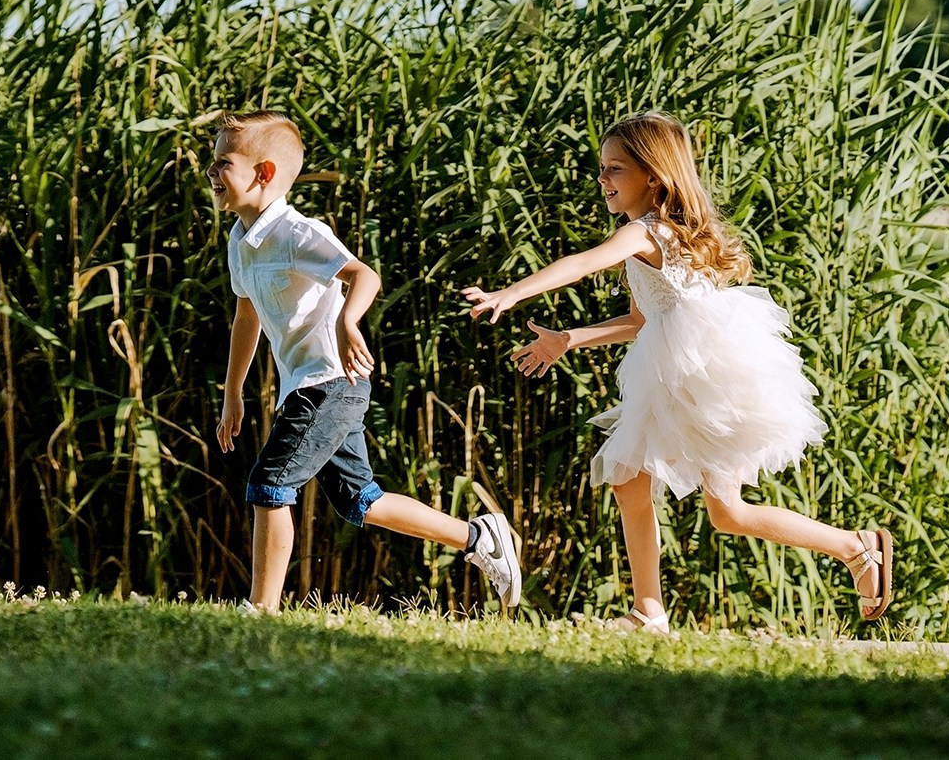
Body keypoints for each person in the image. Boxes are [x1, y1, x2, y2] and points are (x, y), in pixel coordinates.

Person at [464, 111, 891, 632]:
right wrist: (569, 339)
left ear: (653, 176)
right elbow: (642, 320)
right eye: (602, 167)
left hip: (701, 376)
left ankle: (855, 548)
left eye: (615, 168)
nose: (602, 178)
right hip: (685, 372)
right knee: (673, 496)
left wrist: (511, 293)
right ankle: (651, 610)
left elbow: (581, 263)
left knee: (712, 507)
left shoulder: (645, 232)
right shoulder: (659, 235)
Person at [211, 111, 521, 611]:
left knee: (270, 483)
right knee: (361, 499)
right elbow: (246, 315)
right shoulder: (240, 242)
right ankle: (478, 537)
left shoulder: (297, 233)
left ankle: (261, 610)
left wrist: (347, 322)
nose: (210, 171)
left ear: (263, 174)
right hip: (308, 386)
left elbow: (364, 275)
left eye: (223, 162)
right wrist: (232, 392)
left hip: (331, 383)